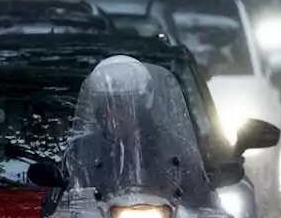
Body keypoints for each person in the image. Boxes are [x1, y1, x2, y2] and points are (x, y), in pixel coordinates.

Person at [62, 55, 217, 209]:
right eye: (108, 108)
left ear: (141, 108)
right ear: (99, 112)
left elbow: (198, 197)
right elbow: (70, 197)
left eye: (124, 107)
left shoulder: (172, 149)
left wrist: (207, 216)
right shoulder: (82, 152)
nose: (115, 116)